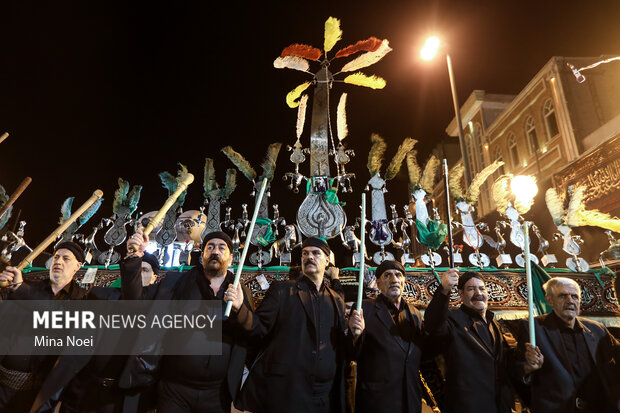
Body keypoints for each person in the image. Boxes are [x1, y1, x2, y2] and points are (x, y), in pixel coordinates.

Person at [121, 230, 254, 413]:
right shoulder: (176, 283)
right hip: (175, 390)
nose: (215, 251)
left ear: (231, 258)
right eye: (210, 247)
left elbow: (251, 331)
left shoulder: (241, 292)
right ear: (202, 256)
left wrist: (241, 309)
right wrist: (134, 257)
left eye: (222, 247)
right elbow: (137, 299)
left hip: (217, 393)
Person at [29, 238, 161, 413]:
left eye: (143, 270)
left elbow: (134, 298)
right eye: (135, 269)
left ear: (155, 277)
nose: (137, 274)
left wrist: (134, 260)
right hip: (83, 390)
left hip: (119, 398)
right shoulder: (102, 296)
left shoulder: (158, 309)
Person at [225, 237, 348, 413]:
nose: (309, 257)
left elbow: (341, 347)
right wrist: (239, 309)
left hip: (325, 395)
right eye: (305, 253)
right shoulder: (282, 290)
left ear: (327, 260)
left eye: (315, 253)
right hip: (288, 392)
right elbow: (258, 328)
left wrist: (356, 333)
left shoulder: (337, 300)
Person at [0, 242, 90, 413]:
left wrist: (20, 289)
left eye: (65, 258)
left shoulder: (83, 300)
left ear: (77, 266)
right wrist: (4, 287)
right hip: (4, 385)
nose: (58, 261)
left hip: (39, 395)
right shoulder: (29, 287)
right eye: (56, 257)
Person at [519, 277, 620, 413]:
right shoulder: (533, 328)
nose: (570, 301)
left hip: (597, 408)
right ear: (549, 300)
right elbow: (517, 369)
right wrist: (528, 368)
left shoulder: (597, 329)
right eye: (562, 296)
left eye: (574, 296)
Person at [424, 269, 517, 413]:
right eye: (471, 289)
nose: (478, 293)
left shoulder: (496, 324)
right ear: (461, 294)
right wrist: (444, 290)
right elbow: (432, 324)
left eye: (481, 288)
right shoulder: (452, 319)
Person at [347, 260, 426, 413]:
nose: (394, 279)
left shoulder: (414, 313)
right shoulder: (364, 309)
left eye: (398, 275)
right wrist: (355, 335)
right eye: (388, 275)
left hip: (410, 400)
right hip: (377, 401)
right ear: (378, 283)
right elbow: (351, 353)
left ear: (404, 281)